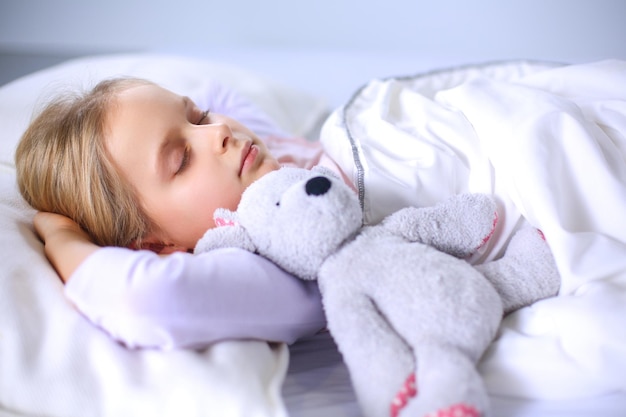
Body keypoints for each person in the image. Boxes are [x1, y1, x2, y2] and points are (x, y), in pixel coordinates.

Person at [15, 77, 328, 349]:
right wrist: (63, 238)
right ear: (154, 245)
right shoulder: (284, 261)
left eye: (200, 117)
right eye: (182, 160)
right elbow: (148, 298)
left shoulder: (260, 152)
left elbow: (217, 94)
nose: (219, 129)